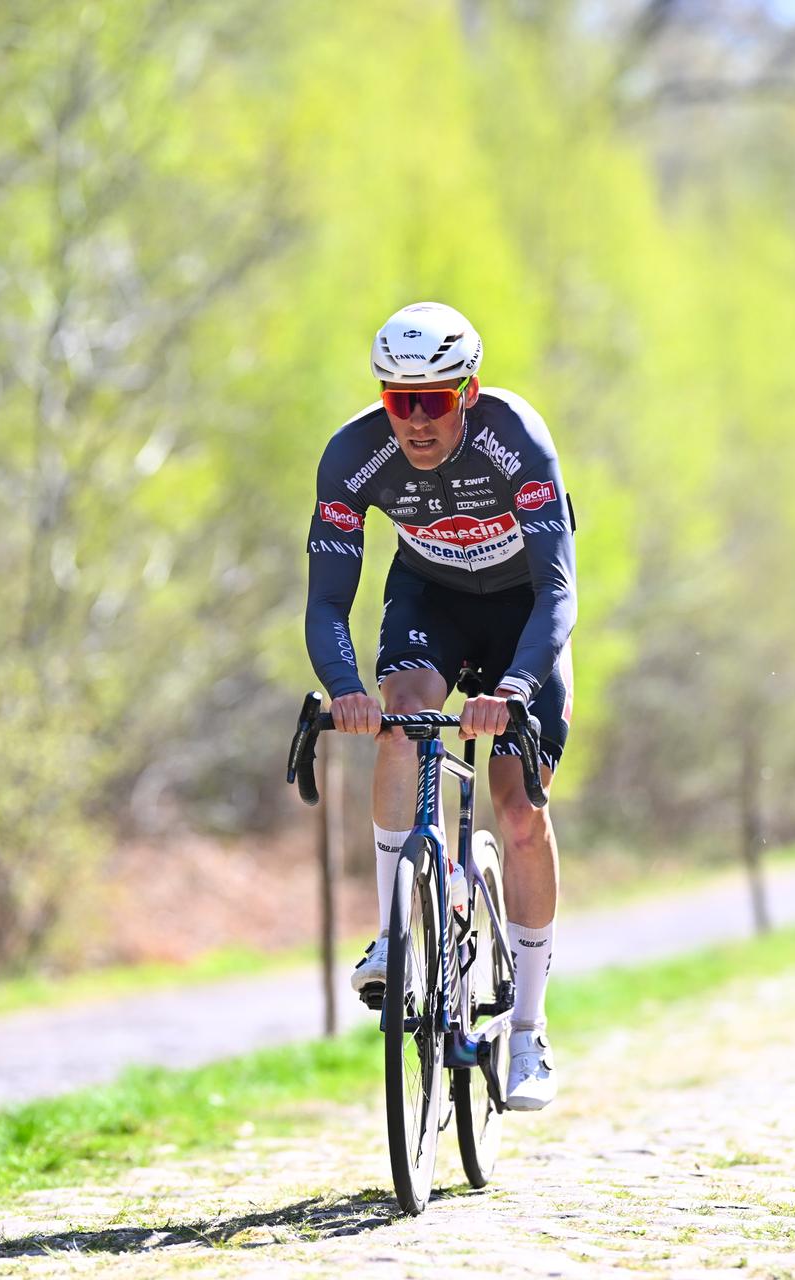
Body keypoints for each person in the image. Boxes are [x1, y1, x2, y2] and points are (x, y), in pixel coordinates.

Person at [304, 301, 576, 1112]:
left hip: (523, 610)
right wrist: (344, 687)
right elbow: (326, 603)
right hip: (431, 596)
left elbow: (559, 590)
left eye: (434, 399)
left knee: (517, 807)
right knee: (400, 716)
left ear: (469, 390)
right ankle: (394, 933)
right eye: (399, 399)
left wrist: (517, 689)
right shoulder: (353, 458)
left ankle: (527, 1030)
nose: (416, 420)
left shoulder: (515, 440)